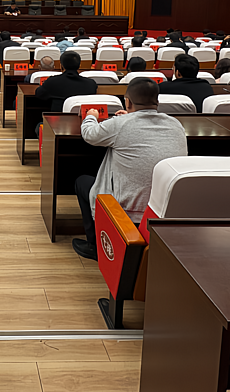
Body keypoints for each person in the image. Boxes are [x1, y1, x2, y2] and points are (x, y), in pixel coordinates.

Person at [72, 77, 188, 260]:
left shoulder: (121, 124)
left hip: (130, 211)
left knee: (82, 182)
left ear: (128, 102)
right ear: (157, 101)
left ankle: (96, 246)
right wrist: (128, 117)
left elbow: (89, 134)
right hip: (164, 207)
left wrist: (91, 116)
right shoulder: (176, 125)